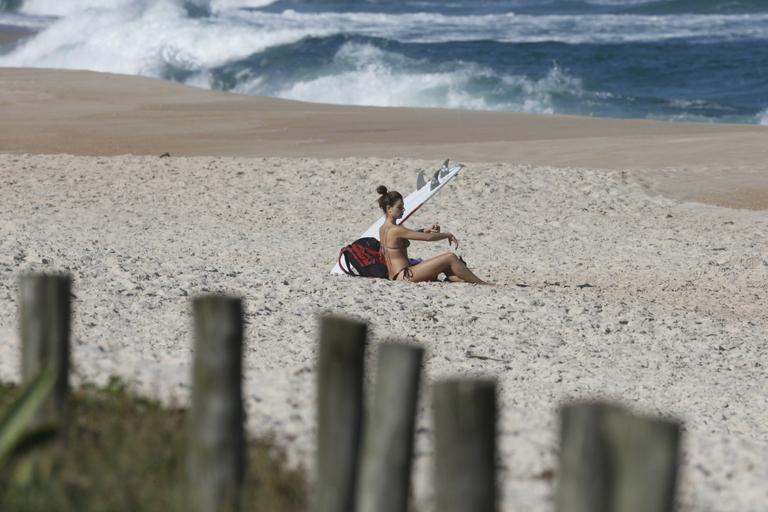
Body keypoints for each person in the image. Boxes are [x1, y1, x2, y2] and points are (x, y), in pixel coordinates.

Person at [376, 185, 489, 284]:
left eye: (403, 206)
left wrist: (425, 229)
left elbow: (406, 235)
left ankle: (459, 279)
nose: (403, 210)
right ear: (389, 209)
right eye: (399, 207)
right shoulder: (396, 229)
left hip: (396, 276)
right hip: (406, 275)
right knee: (450, 257)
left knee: (446, 265)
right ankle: (482, 283)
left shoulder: (383, 229)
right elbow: (428, 238)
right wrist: (447, 234)